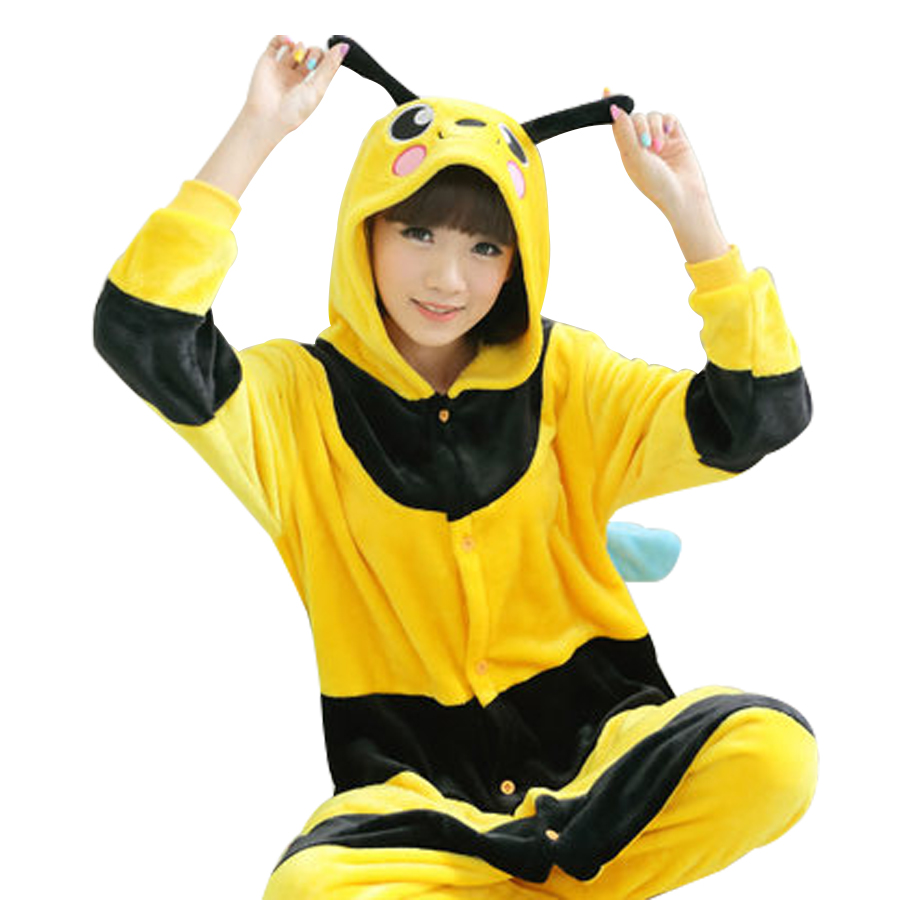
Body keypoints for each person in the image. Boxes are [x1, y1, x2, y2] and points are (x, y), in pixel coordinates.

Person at [94, 34, 817, 900]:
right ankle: (568, 884)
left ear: (520, 261)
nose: (447, 278)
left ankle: (529, 882)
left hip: (606, 762)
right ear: (364, 227)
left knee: (774, 756)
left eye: (485, 248)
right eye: (418, 231)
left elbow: (760, 413)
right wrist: (258, 130)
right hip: (418, 795)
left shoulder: (566, 377)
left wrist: (693, 218)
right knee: (311, 891)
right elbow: (145, 333)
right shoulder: (295, 400)